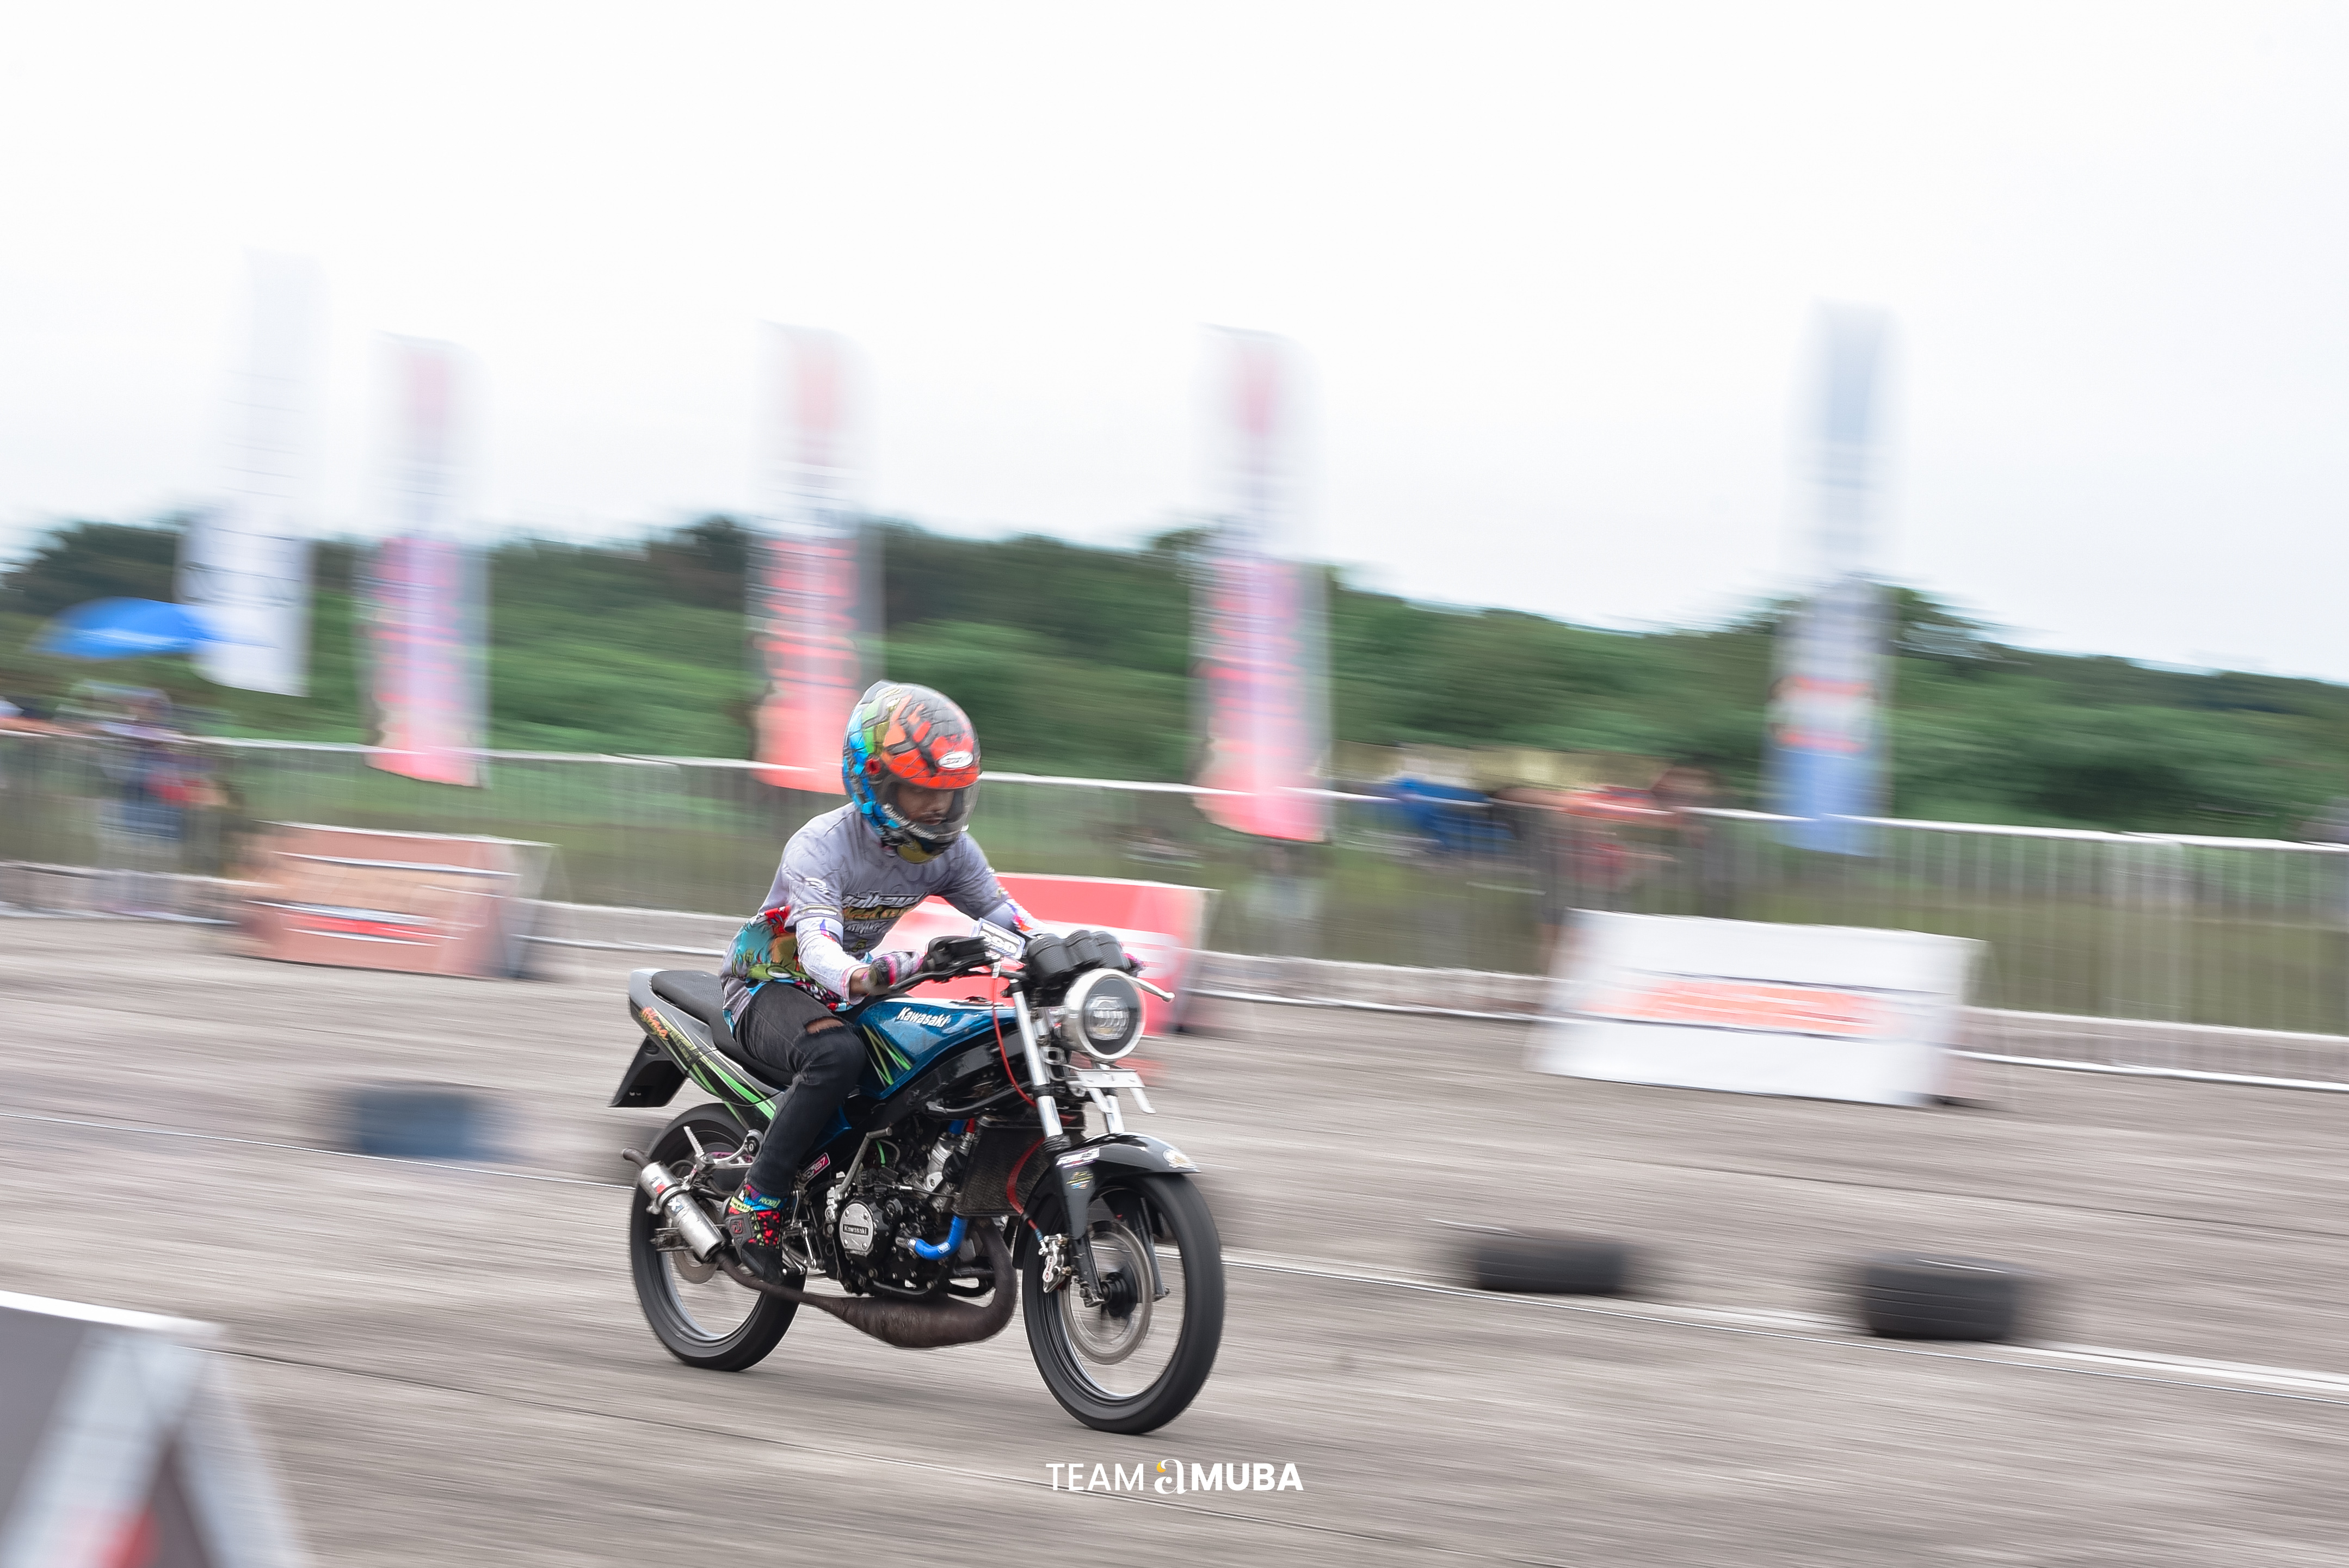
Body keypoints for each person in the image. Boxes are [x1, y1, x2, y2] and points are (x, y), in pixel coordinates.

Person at [719, 681, 1033, 1258]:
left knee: (942, 1053)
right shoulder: (820, 846)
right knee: (836, 1055)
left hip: (853, 987)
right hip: (768, 984)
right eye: (921, 791)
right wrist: (874, 974)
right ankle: (757, 1197)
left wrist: (1077, 951)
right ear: (874, 783)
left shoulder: (952, 853)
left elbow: (1008, 919)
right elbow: (817, 947)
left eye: (950, 794)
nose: (938, 808)